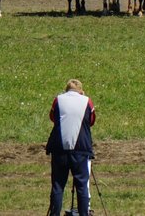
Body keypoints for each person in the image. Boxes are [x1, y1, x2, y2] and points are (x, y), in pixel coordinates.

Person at [45, 78, 96, 216]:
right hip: (81, 149)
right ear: (81, 90)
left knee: (57, 185)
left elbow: (52, 117)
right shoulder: (87, 101)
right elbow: (91, 120)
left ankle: (54, 213)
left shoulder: (58, 100)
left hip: (59, 149)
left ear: (66, 89)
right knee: (81, 186)